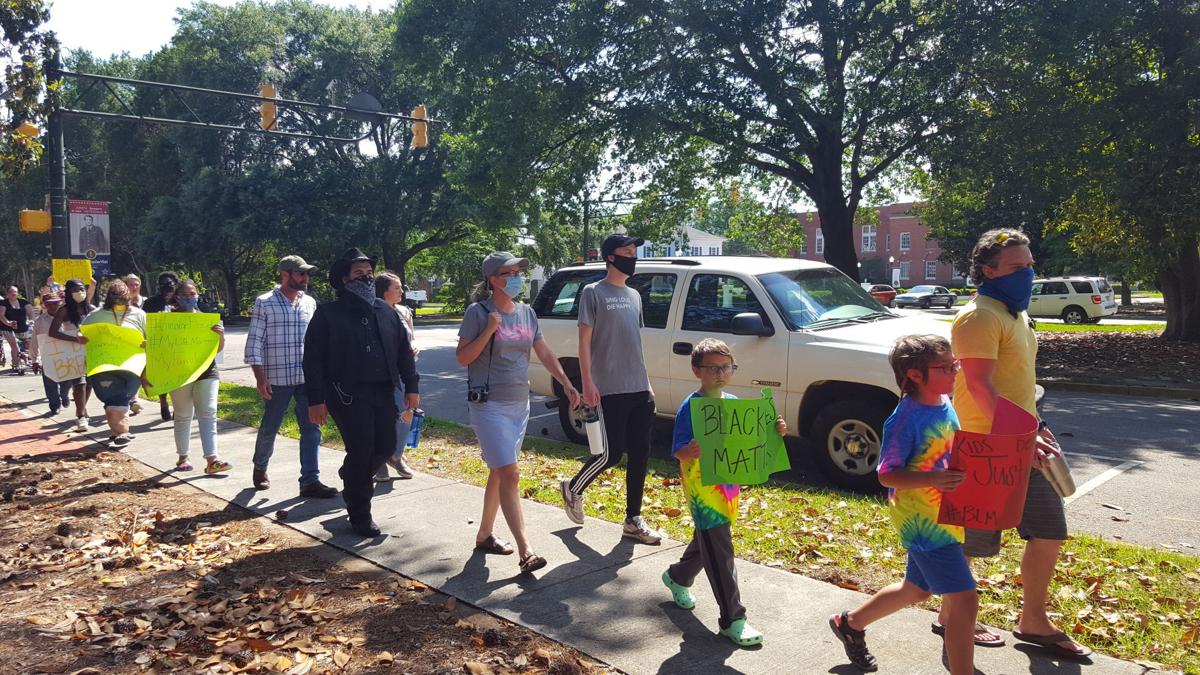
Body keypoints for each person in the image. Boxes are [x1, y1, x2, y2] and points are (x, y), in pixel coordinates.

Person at [937, 228, 1091, 658]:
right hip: (985, 446)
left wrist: (1035, 426)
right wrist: (1028, 430)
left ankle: (1034, 620)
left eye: (1030, 265)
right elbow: (981, 388)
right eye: (1017, 267)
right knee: (974, 543)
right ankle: (950, 616)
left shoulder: (1014, 313)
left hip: (1026, 436)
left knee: (1048, 531)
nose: (1027, 273)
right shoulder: (978, 317)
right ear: (988, 271)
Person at [829, 335, 975, 674]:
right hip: (923, 521)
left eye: (956, 363)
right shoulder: (905, 418)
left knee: (917, 589)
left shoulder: (943, 401)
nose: (955, 370)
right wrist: (935, 480)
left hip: (946, 512)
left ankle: (850, 623)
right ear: (914, 374)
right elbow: (886, 475)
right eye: (946, 366)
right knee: (965, 599)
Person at [457, 252, 580, 573]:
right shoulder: (478, 312)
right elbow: (463, 358)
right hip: (489, 405)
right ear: (493, 279)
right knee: (510, 473)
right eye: (509, 273)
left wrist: (566, 382)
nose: (516, 278)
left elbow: (543, 351)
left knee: (500, 471)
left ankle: (484, 535)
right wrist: (487, 332)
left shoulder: (527, 313)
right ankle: (527, 551)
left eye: (518, 272)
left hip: (518, 405)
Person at [662, 338, 782, 647]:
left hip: (728, 486)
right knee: (719, 548)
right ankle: (733, 618)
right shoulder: (691, 407)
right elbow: (677, 451)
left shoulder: (732, 401)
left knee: (710, 539)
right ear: (696, 370)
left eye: (726, 367)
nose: (721, 373)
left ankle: (678, 575)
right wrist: (688, 450)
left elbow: (748, 439)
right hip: (702, 490)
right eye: (713, 368)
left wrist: (774, 430)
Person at [304, 248, 420, 537]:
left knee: (385, 446)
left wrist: (412, 387)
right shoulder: (328, 314)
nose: (366, 277)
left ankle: (352, 476)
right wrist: (316, 400)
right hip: (347, 395)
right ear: (345, 279)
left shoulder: (386, 311)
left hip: (384, 392)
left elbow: (404, 353)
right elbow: (313, 359)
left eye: (369, 272)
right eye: (359, 273)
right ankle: (360, 514)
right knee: (361, 449)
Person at [560, 233, 662, 545]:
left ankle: (633, 520)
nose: (633, 255)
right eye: (627, 251)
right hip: (608, 389)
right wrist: (588, 383)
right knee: (611, 453)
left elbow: (634, 344)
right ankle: (573, 487)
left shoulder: (635, 296)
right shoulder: (593, 292)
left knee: (642, 455)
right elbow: (584, 341)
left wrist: (648, 385)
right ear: (611, 257)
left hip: (638, 388)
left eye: (635, 250)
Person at [244, 255, 337, 498]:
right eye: (300, 274)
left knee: (312, 428)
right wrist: (260, 377)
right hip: (277, 377)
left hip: (307, 378)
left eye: (306, 274)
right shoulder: (264, 302)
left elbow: (318, 343)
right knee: (270, 426)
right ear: (284, 275)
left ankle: (310, 480)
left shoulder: (310, 303)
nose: (305, 278)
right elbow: (254, 343)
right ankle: (260, 467)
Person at [168, 279, 231, 474]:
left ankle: (212, 460)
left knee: (209, 412)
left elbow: (217, 351)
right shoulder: (167, 322)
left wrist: (220, 336)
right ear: (177, 297)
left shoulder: (207, 319)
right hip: (180, 372)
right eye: (185, 295)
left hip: (207, 371)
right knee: (183, 414)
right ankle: (182, 457)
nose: (190, 298)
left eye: (193, 294)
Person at [80, 280, 147, 447]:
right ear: (109, 298)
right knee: (115, 400)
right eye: (115, 300)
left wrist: (147, 342)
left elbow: (151, 337)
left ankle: (117, 431)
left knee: (120, 400)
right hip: (104, 368)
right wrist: (80, 337)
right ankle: (122, 432)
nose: (119, 305)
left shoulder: (139, 315)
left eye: (122, 301)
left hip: (132, 368)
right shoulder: (95, 316)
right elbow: (82, 334)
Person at [373, 272, 417, 481]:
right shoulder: (373, 311)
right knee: (383, 418)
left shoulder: (403, 312)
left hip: (405, 372)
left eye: (401, 287)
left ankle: (396, 455)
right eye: (397, 288)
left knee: (408, 412)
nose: (401, 291)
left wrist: (413, 348)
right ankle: (379, 459)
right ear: (384, 291)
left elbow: (409, 338)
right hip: (382, 374)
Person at [49, 278, 94, 431]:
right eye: (75, 290)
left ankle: (82, 408)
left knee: (89, 383)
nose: (79, 293)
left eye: (82, 289)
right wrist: (74, 339)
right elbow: (53, 332)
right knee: (79, 383)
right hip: (72, 352)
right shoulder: (64, 310)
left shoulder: (92, 309)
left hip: (89, 351)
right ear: (69, 293)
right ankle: (81, 417)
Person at [144, 271, 180, 420]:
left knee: (177, 377)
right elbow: (143, 321)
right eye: (163, 284)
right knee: (161, 377)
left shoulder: (180, 301)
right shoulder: (151, 302)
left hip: (178, 346)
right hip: (158, 346)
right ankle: (163, 402)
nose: (167, 286)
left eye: (169, 284)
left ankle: (178, 406)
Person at [29, 292, 73, 414]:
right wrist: (34, 360)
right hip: (48, 357)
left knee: (67, 381)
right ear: (45, 305)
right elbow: (34, 342)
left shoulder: (68, 318)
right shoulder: (40, 322)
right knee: (50, 383)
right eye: (50, 304)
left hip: (67, 356)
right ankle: (54, 405)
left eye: (56, 303)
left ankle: (64, 395)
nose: (54, 306)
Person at [1, 286, 34, 374]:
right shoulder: (3, 303)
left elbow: (31, 312)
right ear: (8, 294)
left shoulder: (23, 302)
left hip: (23, 327)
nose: (13, 293)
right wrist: (8, 323)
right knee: (14, 345)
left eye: (15, 291)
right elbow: (1, 315)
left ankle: (31, 361)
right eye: (11, 292)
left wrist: (30, 320)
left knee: (30, 343)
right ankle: (16, 364)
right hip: (7, 328)